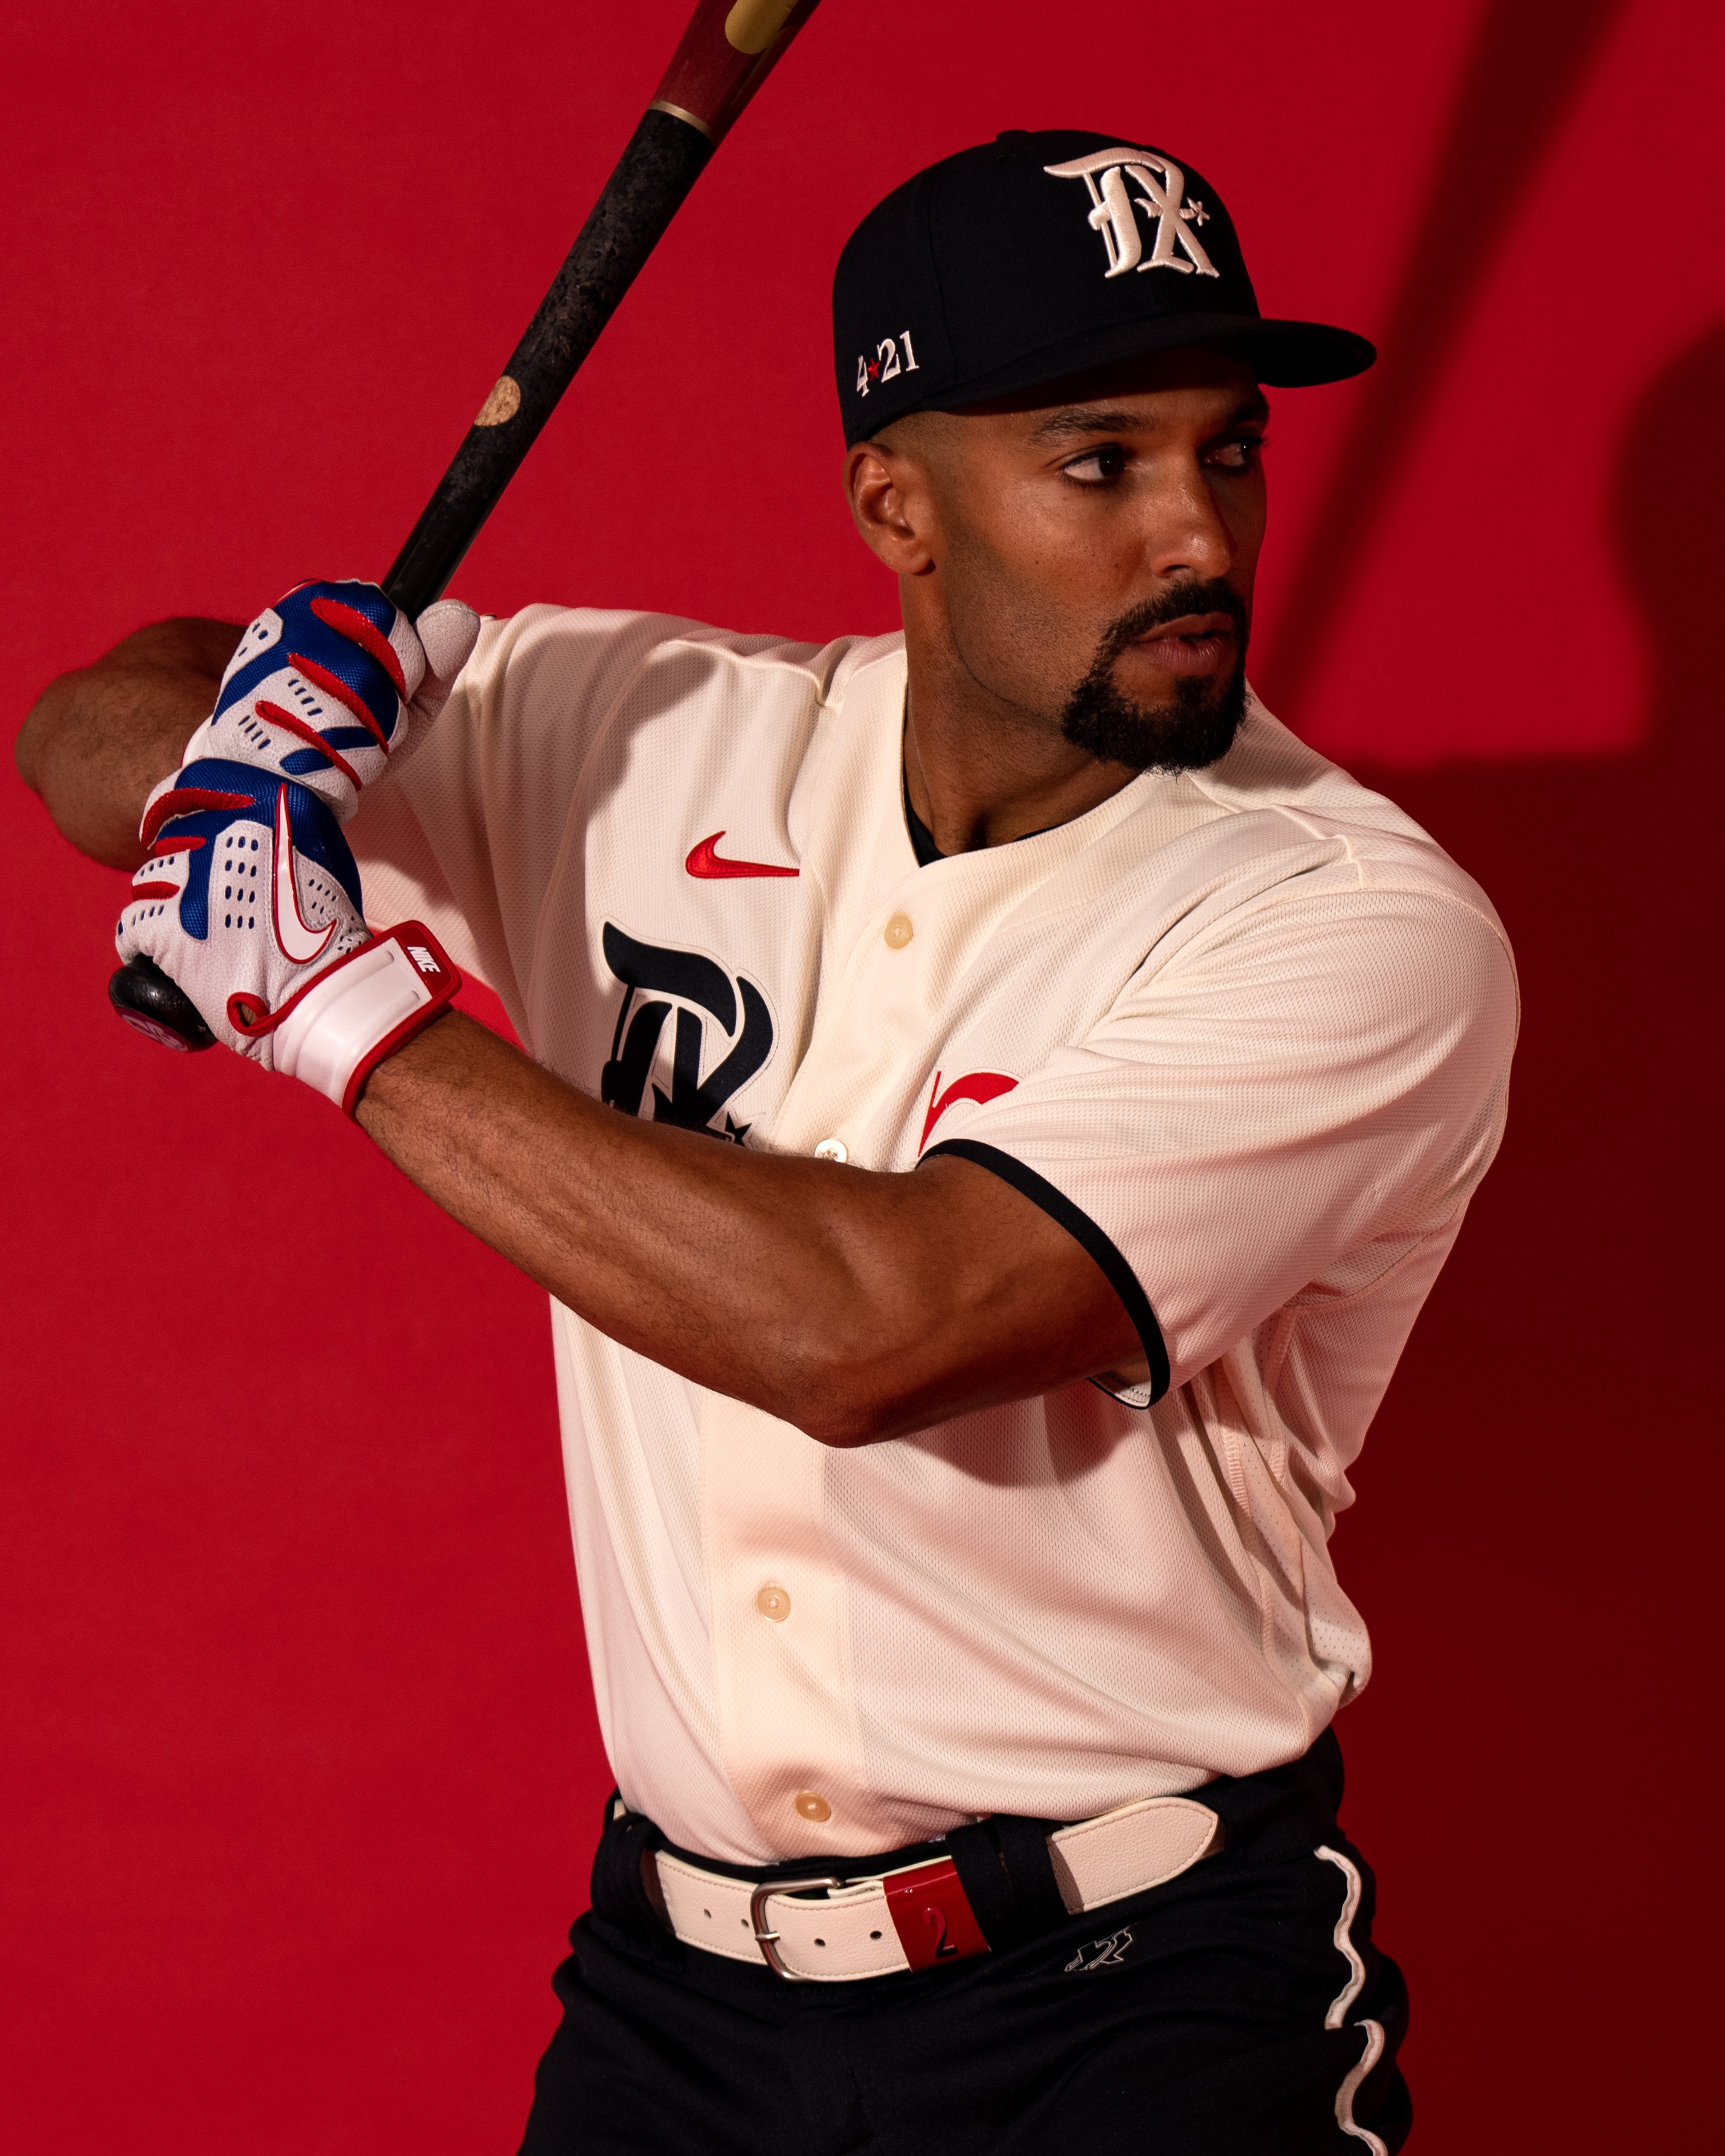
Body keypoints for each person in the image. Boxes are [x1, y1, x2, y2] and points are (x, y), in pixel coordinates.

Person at [16, 130, 1516, 2154]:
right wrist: (248, 734)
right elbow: (82, 736)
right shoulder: (640, 726)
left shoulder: (1343, 918)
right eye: (1103, 461)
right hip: (676, 2001)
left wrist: (342, 1005)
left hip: (1138, 1999)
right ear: (894, 502)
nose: (1200, 535)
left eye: (1226, 450)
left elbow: (873, 1331)